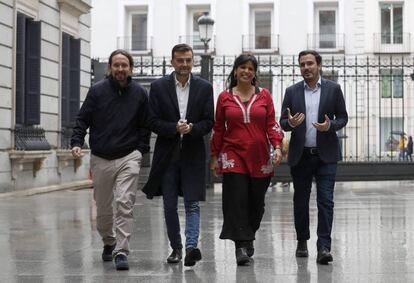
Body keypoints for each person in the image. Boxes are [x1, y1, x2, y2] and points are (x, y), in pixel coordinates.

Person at [70, 49, 150, 270]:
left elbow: (146, 124)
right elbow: (82, 118)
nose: (121, 69)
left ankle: (121, 251)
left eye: (124, 65)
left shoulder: (140, 93)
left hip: (128, 156)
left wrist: (140, 150)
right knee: (103, 207)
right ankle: (109, 240)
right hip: (101, 157)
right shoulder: (97, 91)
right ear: (110, 68)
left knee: (125, 202)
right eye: (116, 65)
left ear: (130, 68)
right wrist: (76, 142)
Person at [142, 44, 214, 266]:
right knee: (169, 205)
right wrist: (174, 127)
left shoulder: (204, 88)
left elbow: (209, 122)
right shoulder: (158, 87)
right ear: (172, 61)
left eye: (188, 60)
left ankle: (191, 247)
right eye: (180, 60)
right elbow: (152, 121)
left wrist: (192, 129)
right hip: (167, 155)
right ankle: (176, 248)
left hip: (193, 153)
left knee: (192, 203)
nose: (184, 64)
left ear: (193, 62)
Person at [210, 54, 284, 266]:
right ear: (235, 71)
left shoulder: (265, 96)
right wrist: (215, 156)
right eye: (242, 67)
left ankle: (249, 233)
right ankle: (241, 245)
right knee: (237, 200)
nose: (246, 71)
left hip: (260, 156)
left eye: (250, 68)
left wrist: (277, 146)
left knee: (256, 203)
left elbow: (271, 124)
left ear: (254, 73)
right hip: (233, 154)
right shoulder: (224, 97)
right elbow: (218, 128)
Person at [279, 50, 348, 265]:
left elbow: (343, 117)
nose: (306, 68)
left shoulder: (333, 89)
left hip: (326, 155)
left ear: (318, 65)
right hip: (301, 156)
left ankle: (324, 246)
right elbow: (282, 121)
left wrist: (330, 126)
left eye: (309, 63)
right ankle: (302, 241)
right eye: (302, 65)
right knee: (300, 200)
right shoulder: (291, 92)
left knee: (325, 201)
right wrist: (290, 123)